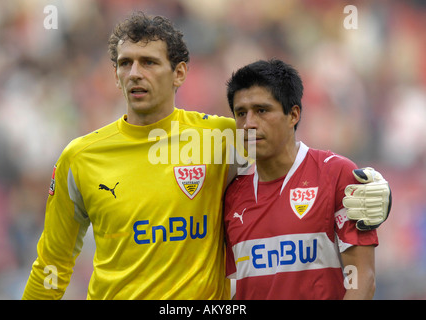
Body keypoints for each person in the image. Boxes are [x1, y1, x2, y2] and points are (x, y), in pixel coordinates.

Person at [22, 12, 389, 300]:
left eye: (148, 62)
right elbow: (52, 263)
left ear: (179, 72)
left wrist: (376, 190)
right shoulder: (80, 157)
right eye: (125, 63)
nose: (135, 73)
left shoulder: (221, 137)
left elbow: (296, 160)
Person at [223, 59, 391, 300]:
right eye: (241, 113)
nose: (249, 123)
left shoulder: (337, 175)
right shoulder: (232, 194)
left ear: (293, 115)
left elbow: (363, 279)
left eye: (262, 110)